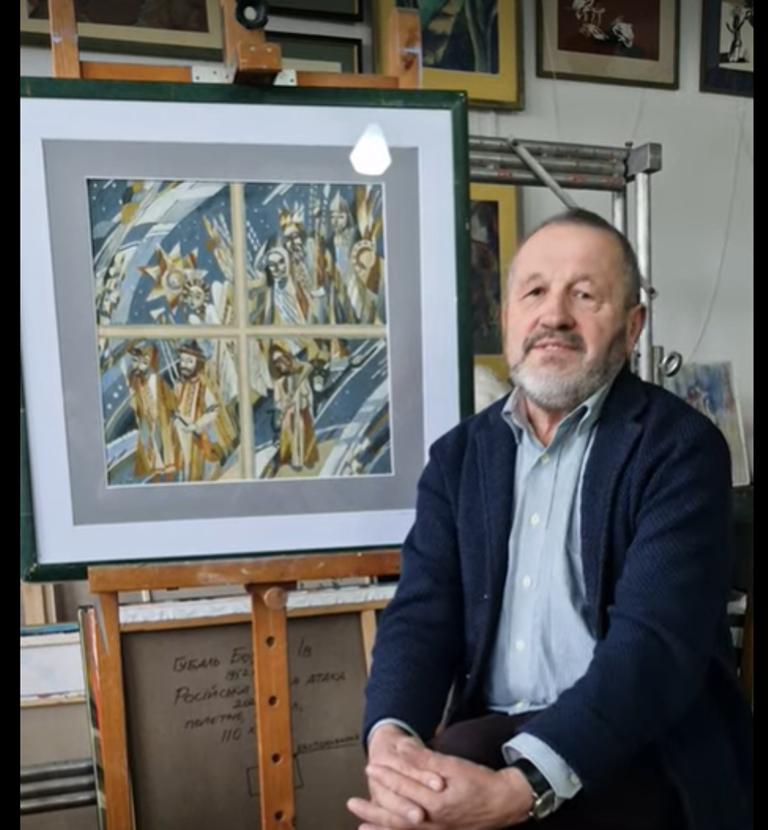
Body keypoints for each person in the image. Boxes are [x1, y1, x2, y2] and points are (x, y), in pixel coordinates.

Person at [348, 208, 753, 830]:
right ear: (507, 318)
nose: (554, 315)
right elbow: (420, 617)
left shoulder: (682, 449)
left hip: (645, 746)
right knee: (420, 801)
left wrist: (520, 789)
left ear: (632, 327)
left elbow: (653, 649)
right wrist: (392, 741)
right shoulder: (458, 459)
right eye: (534, 292)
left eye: (584, 295)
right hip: (490, 731)